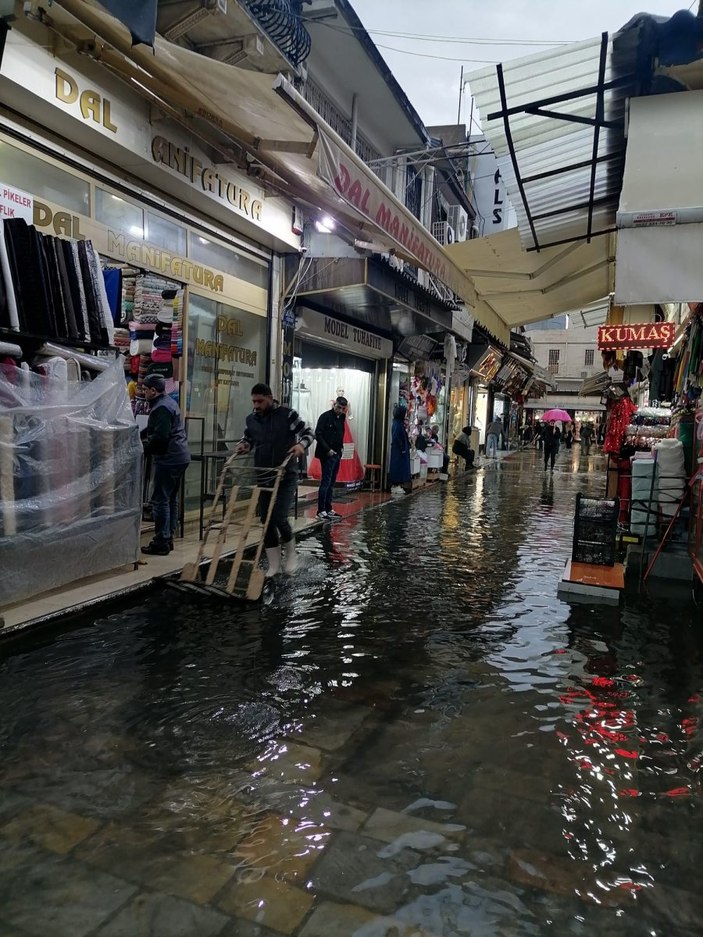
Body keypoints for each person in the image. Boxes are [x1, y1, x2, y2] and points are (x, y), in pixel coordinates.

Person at [236, 383, 313, 577]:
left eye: (260, 401)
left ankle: (291, 556)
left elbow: (309, 433)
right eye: (254, 401)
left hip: (286, 474)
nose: (256, 405)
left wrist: (300, 446)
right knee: (266, 520)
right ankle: (274, 565)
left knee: (278, 516)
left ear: (271, 398)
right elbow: (249, 438)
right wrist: (244, 445)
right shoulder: (251, 419)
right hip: (263, 475)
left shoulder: (288, 415)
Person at [140, 373, 191, 556]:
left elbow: (161, 438)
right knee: (170, 498)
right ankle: (168, 538)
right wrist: (140, 436)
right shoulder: (168, 402)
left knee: (160, 499)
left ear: (153, 390)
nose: (143, 392)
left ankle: (161, 541)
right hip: (180, 456)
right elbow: (154, 430)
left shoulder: (160, 408)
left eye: (145, 389)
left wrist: (143, 450)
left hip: (170, 458)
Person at [313, 395, 347, 520]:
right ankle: (321, 510)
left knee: (332, 482)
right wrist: (328, 449)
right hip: (326, 453)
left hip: (337, 452)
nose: (340, 410)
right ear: (334, 405)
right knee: (326, 481)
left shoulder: (342, 418)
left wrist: (341, 448)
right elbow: (318, 434)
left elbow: (341, 433)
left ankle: (328, 507)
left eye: (343, 408)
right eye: (338, 407)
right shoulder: (325, 416)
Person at [388, 404, 411, 495]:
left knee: (399, 467)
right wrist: (402, 448)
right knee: (397, 467)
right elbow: (397, 437)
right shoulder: (398, 424)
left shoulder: (398, 423)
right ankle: (395, 485)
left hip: (400, 450)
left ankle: (397, 484)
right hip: (398, 451)